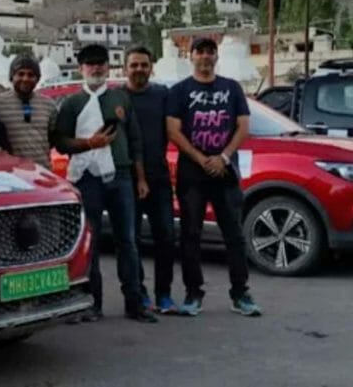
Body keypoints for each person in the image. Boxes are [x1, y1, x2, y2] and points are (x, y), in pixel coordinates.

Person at [53, 45, 157, 323]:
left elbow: (135, 140)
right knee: (92, 242)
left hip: (121, 176)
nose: (96, 68)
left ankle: (134, 303)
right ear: (81, 69)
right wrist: (88, 143)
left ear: (108, 68)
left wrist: (141, 178)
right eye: (90, 64)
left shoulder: (120, 98)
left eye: (100, 64)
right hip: (87, 178)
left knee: (128, 241)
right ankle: (92, 303)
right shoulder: (72, 103)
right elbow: (60, 142)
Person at [166, 37, 261, 317]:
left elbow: (243, 126)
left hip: (225, 170)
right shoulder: (179, 91)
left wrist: (223, 157)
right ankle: (193, 294)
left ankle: (240, 293)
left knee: (233, 234)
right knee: (190, 235)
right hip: (192, 173)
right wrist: (201, 158)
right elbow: (173, 130)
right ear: (190, 56)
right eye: (200, 52)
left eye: (210, 52)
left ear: (216, 57)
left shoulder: (231, 89)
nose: (205, 57)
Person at [123, 46, 178, 315]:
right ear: (125, 69)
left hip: (159, 178)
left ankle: (164, 294)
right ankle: (139, 293)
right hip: (126, 182)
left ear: (151, 67)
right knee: (131, 241)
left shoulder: (162, 95)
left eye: (144, 65)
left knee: (166, 237)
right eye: (134, 65)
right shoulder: (117, 97)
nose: (139, 70)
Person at [0, 54, 57, 168]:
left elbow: (53, 138)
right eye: (20, 74)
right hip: (11, 175)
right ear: (11, 77)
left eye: (31, 75)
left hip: (42, 174)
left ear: (37, 78)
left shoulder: (49, 105)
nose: (25, 78)